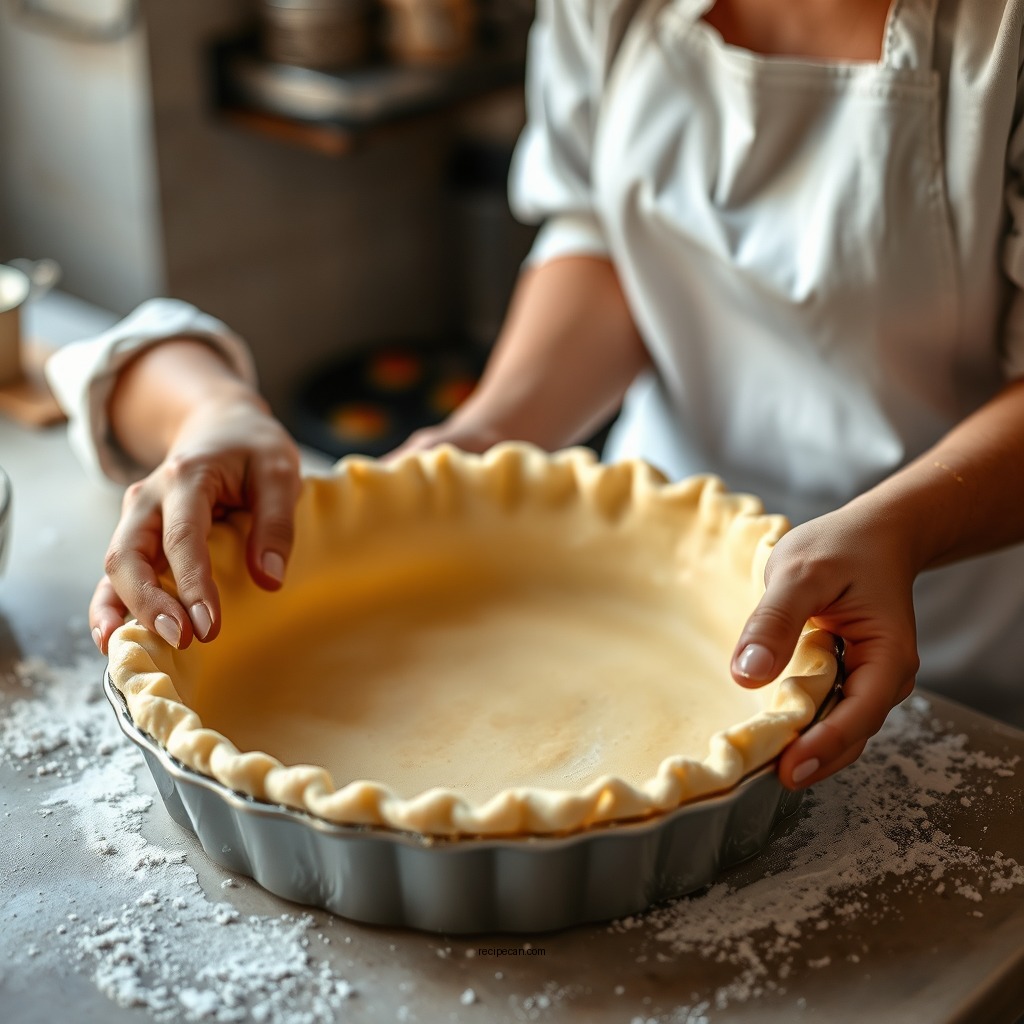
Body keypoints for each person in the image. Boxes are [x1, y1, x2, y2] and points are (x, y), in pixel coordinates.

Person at [47, 0, 1024, 794]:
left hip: (960, 632)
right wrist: (484, 436)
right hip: (653, 565)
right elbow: (612, 239)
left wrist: (902, 525)